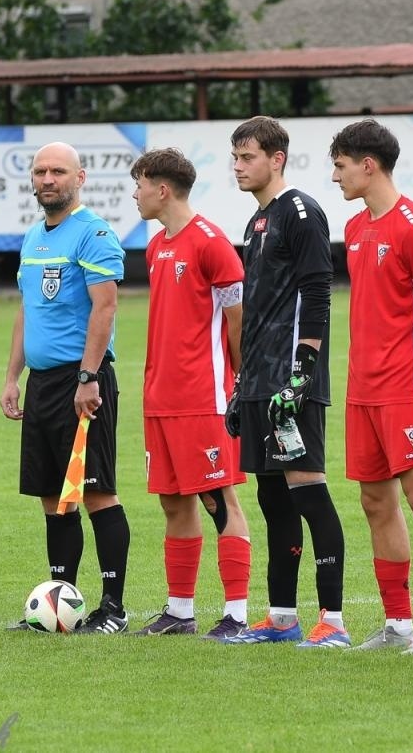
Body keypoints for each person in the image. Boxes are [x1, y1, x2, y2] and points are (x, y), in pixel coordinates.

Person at [331, 119, 413, 654]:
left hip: (405, 390)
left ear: (368, 165)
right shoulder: (359, 229)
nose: (336, 177)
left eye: (341, 166)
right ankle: (399, 625)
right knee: (374, 502)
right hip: (361, 391)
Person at [221, 117, 349, 649]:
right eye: (235, 158)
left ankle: (334, 622)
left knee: (309, 494)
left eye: (247, 157)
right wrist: (242, 383)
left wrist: (300, 376)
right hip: (259, 384)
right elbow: (259, 312)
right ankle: (280, 617)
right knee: (273, 499)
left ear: (276, 158)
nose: (238, 166)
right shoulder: (256, 222)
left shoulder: (300, 211)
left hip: (290, 386)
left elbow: (316, 294)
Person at [0, 143, 131, 634]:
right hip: (41, 384)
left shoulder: (93, 233)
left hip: (83, 381)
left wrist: (88, 376)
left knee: (97, 493)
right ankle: (60, 603)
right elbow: (27, 310)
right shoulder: (34, 235)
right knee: (54, 498)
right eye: (39, 171)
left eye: (57, 171)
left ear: (81, 176)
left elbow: (106, 308)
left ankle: (112, 607)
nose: (47, 179)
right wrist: (13, 376)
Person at [129, 148, 251, 639]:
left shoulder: (211, 244)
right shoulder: (157, 246)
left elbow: (238, 320)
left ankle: (236, 615)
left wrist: (238, 381)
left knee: (219, 500)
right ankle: (180, 612)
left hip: (203, 398)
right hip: (159, 399)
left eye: (138, 185)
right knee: (173, 502)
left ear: (162, 189)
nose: (134, 195)